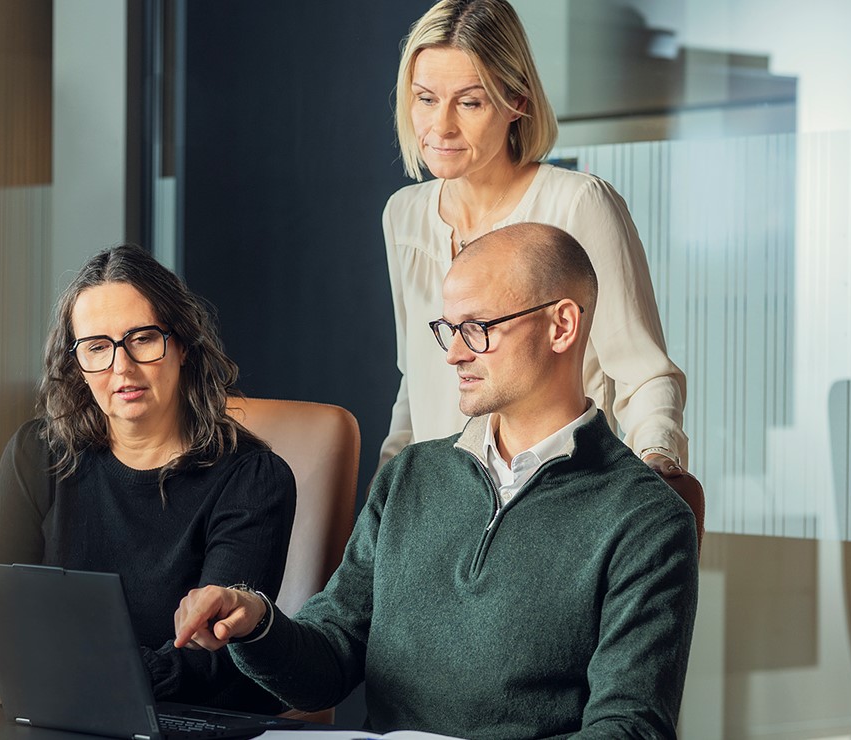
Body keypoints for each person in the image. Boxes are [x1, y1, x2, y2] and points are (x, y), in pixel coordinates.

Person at [175, 223, 699, 738]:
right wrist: (255, 623)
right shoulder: (410, 475)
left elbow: (631, 727)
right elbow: (330, 659)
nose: (453, 353)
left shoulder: (646, 518)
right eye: (449, 329)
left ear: (561, 326)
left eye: (478, 327)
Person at [0, 244, 296, 712]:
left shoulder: (253, 479)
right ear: (77, 363)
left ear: (182, 345)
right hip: (54, 714)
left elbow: (213, 659)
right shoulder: (36, 453)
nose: (121, 367)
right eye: (97, 347)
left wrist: (64, 671)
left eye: (142, 338)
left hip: (191, 721)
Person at [380, 0, 689, 479]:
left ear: (517, 101)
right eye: (425, 99)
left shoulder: (579, 204)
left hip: (563, 491)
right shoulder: (404, 214)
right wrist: (390, 496)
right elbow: (416, 382)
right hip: (448, 504)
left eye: (469, 102)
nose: (440, 127)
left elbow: (645, 374)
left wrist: (654, 478)